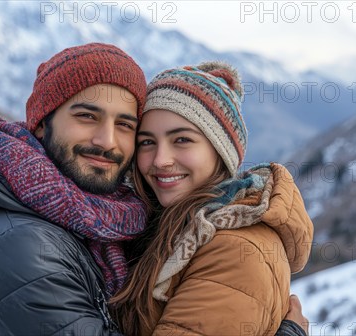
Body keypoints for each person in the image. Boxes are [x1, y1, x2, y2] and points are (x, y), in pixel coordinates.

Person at [0, 44, 310, 335]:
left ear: (221, 153)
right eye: (87, 116)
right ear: (41, 124)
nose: (107, 141)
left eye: (125, 125)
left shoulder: (220, 244)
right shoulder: (27, 245)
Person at [110, 62, 314, 335]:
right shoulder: (166, 226)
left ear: (220, 151)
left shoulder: (233, 249)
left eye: (182, 139)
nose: (161, 160)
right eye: (147, 142)